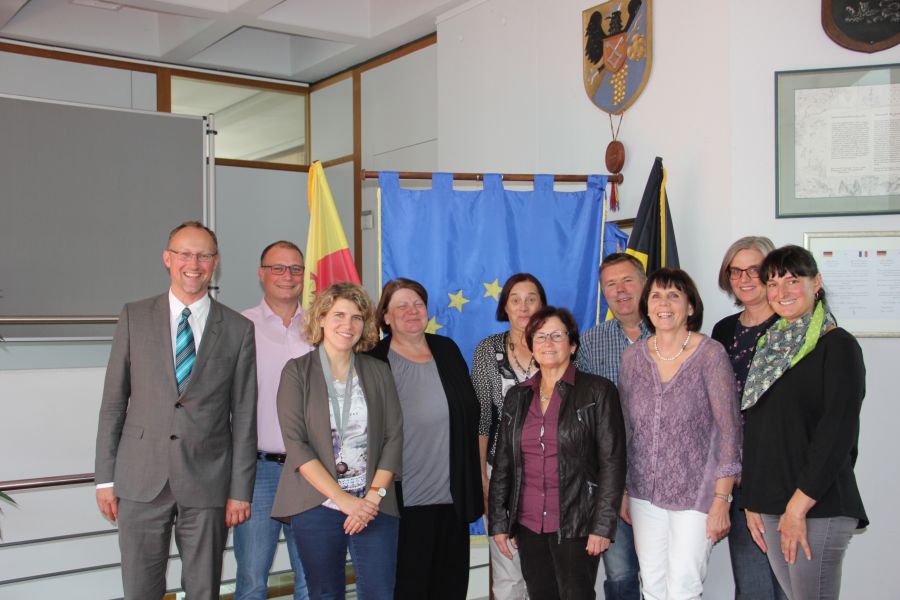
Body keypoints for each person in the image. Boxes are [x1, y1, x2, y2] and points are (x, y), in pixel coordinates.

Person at [94, 221, 258, 600]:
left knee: (203, 590)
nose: (193, 263)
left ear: (215, 262)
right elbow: (113, 402)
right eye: (184, 253)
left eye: (203, 255)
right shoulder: (134, 316)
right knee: (140, 589)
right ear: (168, 258)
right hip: (139, 480)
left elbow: (244, 416)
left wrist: (239, 491)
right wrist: (105, 478)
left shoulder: (237, 328)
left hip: (208, 482)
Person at [741, 245, 868, 600]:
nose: (781, 293)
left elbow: (837, 434)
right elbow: (758, 429)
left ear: (817, 283)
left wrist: (797, 507)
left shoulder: (838, 346)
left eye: (793, 281)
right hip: (769, 503)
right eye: (773, 283)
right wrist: (751, 499)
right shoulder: (769, 346)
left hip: (817, 506)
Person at [271, 282, 403, 599]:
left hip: (374, 504)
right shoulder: (296, 372)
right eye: (339, 315)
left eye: (357, 317)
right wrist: (343, 500)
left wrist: (372, 498)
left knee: (380, 593)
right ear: (321, 318)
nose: (348, 325)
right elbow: (297, 445)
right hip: (317, 503)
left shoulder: (378, 370)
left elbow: (394, 436)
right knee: (324, 592)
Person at [618, 268, 741, 600]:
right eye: (656, 295)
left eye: (674, 295)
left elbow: (729, 430)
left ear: (690, 307)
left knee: (684, 587)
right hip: (644, 492)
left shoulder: (710, 355)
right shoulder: (632, 359)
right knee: (653, 586)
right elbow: (626, 430)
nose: (664, 303)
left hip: (696, 494)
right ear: (647, 305)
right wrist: (624, 489)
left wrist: (722, 499)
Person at [489, 306, 626, 599]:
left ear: (573, 345)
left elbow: (612, 463)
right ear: (531, 345)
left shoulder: (598, 391)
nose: (547, 343)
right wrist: (499, 523)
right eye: (540, 336)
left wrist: (603, 526)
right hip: (528, 524)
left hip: (577, 523)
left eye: (556, 335)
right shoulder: (517, 396)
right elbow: (503, 464)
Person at [368, 278, 483, 599]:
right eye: (401, 306)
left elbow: (468, 415)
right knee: (410, 589)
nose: (412, 311)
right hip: (403, 503)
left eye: (417, 304)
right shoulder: (374, 360)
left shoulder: (447, 350)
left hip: (452, 498)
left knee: (450, 588)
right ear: (386, 317)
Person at [235, 241, 312, 600]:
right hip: (259, 471)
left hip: (312, 469)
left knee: (311, 578)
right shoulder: (238, 327)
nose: (288, 276)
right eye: (278, 268)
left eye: (295, 269)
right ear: (261, 273)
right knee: (252, 579)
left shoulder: (321, 327)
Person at [711, 236, 785, 600]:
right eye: (735, 270)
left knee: (792, 586)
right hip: (740, 476)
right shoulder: (722, 331)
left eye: (754, 269)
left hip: (786, 474)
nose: (744, 277)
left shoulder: (794, 328)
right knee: (753, 586)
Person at [576, 252, 648, 600]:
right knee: (620, 576)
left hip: (664, 483)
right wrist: (615, 489)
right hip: (611, 479)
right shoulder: (591, 341)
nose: (620, 290)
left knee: (666, 575)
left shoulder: (676, 334)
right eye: (610, 284)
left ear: (644, 283)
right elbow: (586, 419)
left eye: (628, 280)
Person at [472, 272, 547, 599]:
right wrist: (482, 478)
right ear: (505, 306)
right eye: (515, 299)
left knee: (547, 570)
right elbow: (482, 417)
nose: (524, 306)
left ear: (542, 304)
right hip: (501, 471)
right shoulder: (488, 349)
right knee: (508, 572)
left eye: (531, 298)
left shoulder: (555, 344)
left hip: (553, 474)